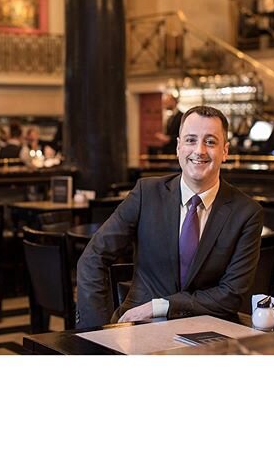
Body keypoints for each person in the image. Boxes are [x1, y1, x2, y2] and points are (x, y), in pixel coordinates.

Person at [76, 105, 263, 329]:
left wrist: (161, 306)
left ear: (225, 151)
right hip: (138, 327)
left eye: (210, 142)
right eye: (191, 140)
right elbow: (93, 257)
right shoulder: (146, 193)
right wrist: (97, 332)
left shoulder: (247, 212)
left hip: (206, 335)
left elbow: (232, 295)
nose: (200, 150)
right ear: (178, 147)